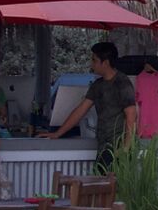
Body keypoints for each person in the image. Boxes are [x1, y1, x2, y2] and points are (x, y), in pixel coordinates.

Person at [50, 41, 139, 170]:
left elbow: (131, 116)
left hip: (119, 147)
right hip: (103, 146)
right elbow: (81, 110)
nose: (92, 64)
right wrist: (57, 133)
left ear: (105, 63)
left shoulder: (122, 83)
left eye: (94, 60)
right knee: (99, 180)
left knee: (114, 182)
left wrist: (125, 148)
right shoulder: (97, 85)